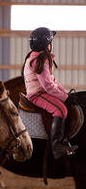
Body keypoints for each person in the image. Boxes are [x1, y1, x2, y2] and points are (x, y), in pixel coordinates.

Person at [21, 27, 77, 159]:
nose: (51, 44)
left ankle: (63, 138)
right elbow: (48, 86)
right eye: (50, 42)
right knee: (61, 109)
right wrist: (64, 99)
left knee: (66, 104)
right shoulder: (39, 61)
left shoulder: (42, 58)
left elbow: (53, 81)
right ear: (46, 45)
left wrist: (66, 95)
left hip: (43, 91)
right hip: (37, 95)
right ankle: (56, 146)